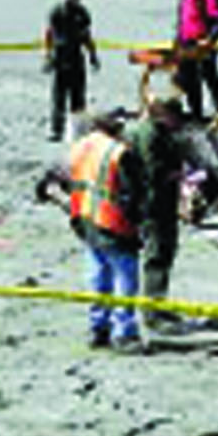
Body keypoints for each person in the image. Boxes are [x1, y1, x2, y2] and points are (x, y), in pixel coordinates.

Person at [56, 109, 146, 352]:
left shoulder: (79, 147)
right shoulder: (119, 153)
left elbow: (63, 180)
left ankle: (98, 328)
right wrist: (141, 221)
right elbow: (134, 193)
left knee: (97, 276)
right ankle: (124, 332)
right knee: (125, 280)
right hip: (114, 223)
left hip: (85, 220)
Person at [123, 98, 189, 328]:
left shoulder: (154, 132)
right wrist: (176, 175)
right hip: (154, 204)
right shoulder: (150, 135)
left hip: (161, 203)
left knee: (164, 252)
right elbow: (152, 172)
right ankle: (152, 312)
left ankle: (158, 304)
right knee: (157, 254)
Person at [42, 0, 99, 142]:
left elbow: (87, 36)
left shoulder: (82, 13)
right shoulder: (58, 12)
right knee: (59, 97)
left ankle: (77, 131)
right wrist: (48, 55)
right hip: (61, 57)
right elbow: (49, 34)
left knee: (78, 97)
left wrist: (93, 55)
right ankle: (56, 130)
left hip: (76, 57)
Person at [174, 0, 218, 122]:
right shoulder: (185, 0)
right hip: (187, 46)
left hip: (203, 46)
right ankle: (196, 114)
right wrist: (178, 45)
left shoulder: (208, 1)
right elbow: (182, 25)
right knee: (191, 82)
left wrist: (210, 39)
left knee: (211, 77)